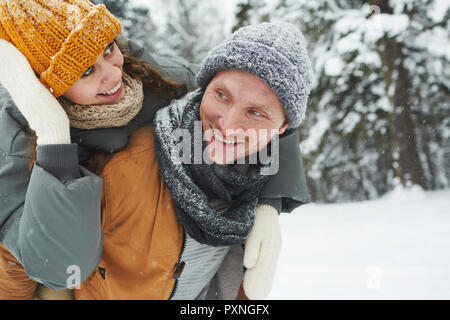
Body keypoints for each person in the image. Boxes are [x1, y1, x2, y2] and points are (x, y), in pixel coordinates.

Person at [0, 0, 310, 300]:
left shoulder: (153, 79)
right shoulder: (17, 148)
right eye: (84, 72)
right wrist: (53, 133)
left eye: (108, 49)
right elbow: (62, 269)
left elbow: (265, 99)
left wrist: (270, 204)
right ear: (43, 87)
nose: (112, 74)